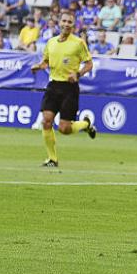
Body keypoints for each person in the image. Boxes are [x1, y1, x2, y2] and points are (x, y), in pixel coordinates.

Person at [30, 10, 96, 168]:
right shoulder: (51, 42)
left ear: (74, 25)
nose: (66, 24)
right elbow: (46, 61)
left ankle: (86, 125)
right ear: (59, 22)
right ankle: (52, 159)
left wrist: (78, 74)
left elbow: (89, 64)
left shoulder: (78, 43)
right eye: (64, 21)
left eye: (70, 22)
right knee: (46, 121)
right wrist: (39, 66)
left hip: (69, 87)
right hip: (53, 85)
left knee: (64, 129)